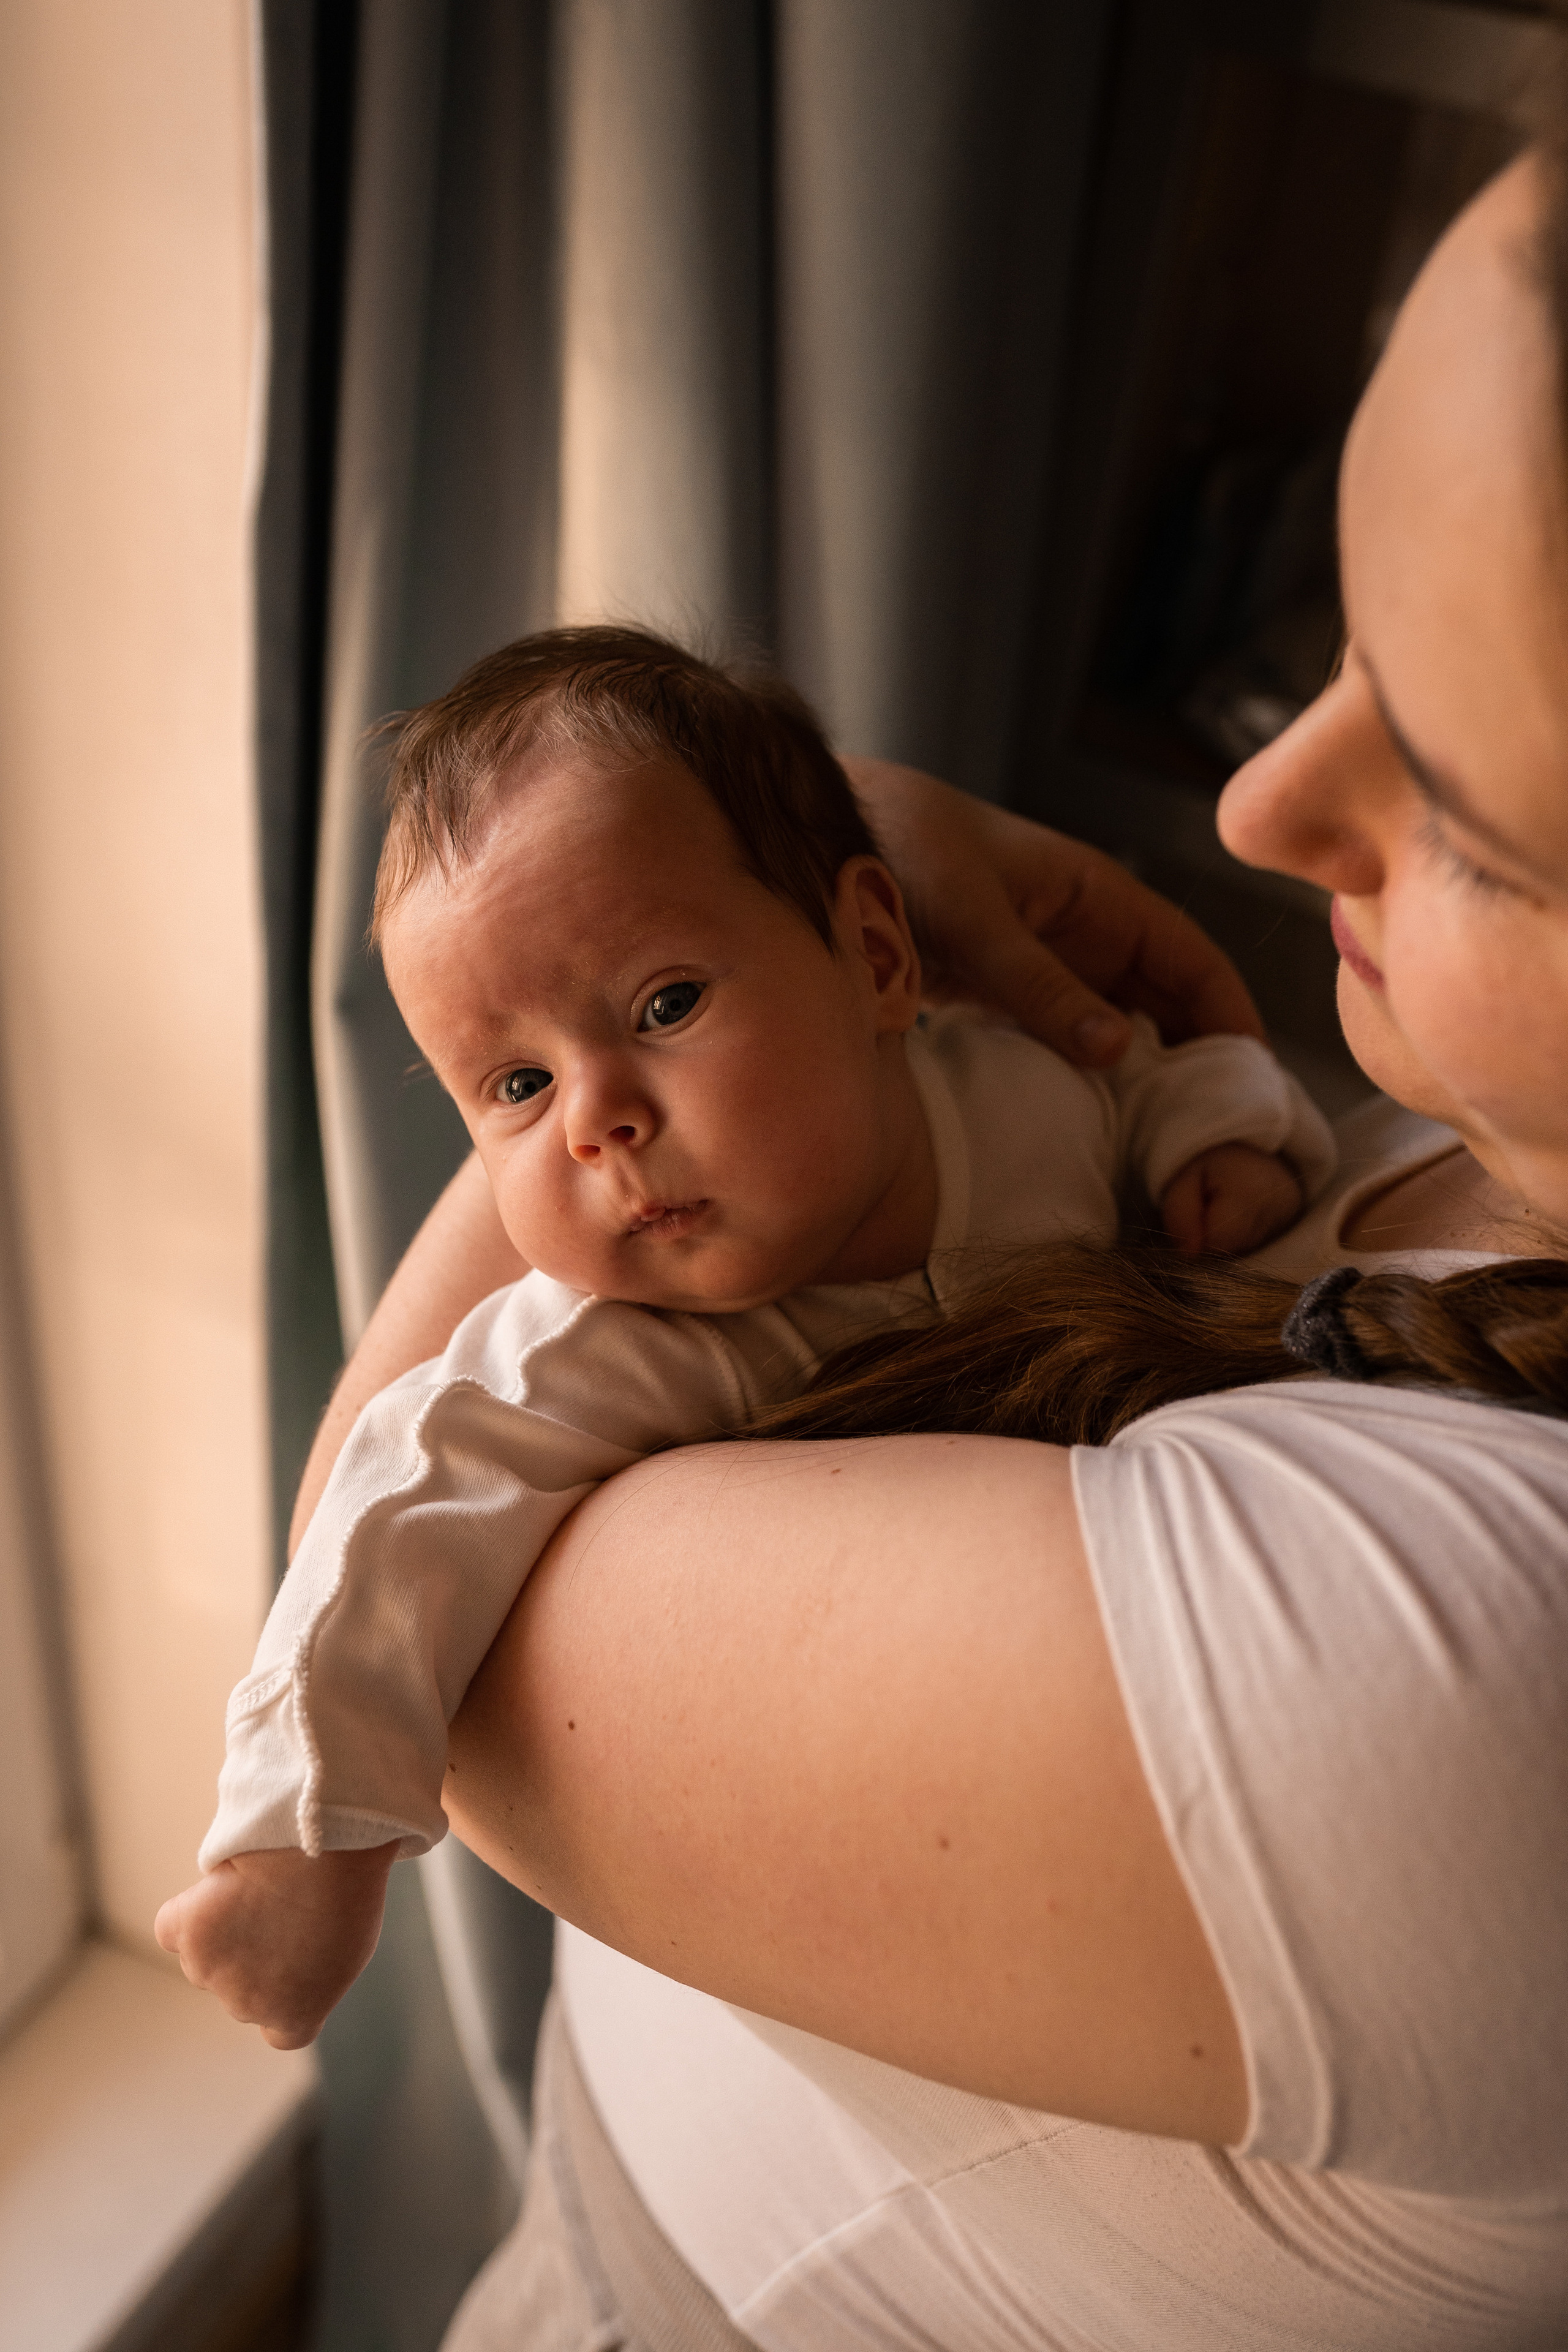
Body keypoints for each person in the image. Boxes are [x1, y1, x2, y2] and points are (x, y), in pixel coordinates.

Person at [284, 141, 1568, 2348]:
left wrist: (717, 918)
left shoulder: (1475, 1701)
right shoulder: (1485, 1153)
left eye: (1459, 807)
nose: (1261, 808)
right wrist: (730, 940)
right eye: (1355, 632)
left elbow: (394, 1548)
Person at [156, 628, 1329, 2036]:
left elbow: (1162, 1072)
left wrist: (1227, 1142)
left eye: (665, 1005)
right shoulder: (622, 1341)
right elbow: (401, 1505)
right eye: (516, 1085)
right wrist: (301, 1844)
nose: (597, 1121)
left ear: (879, 956)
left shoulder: (1022, 1090)